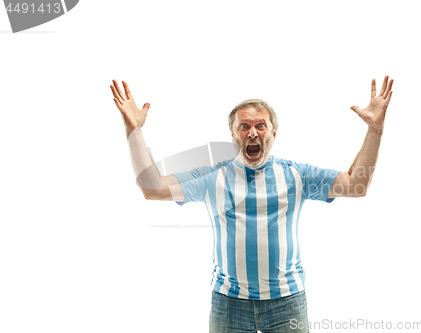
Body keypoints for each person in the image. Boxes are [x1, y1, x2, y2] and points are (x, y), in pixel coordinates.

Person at [110, 76, 394, 333]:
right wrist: (134, 132)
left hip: (287, 303)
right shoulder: (212, 177)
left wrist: (375, 129)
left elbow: (357, 185)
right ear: (233, 135)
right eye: (244, 126)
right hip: (228, 305)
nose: (253, 133)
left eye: (261, 126)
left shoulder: (297, 174)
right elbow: (152, 188)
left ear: (273, 134)